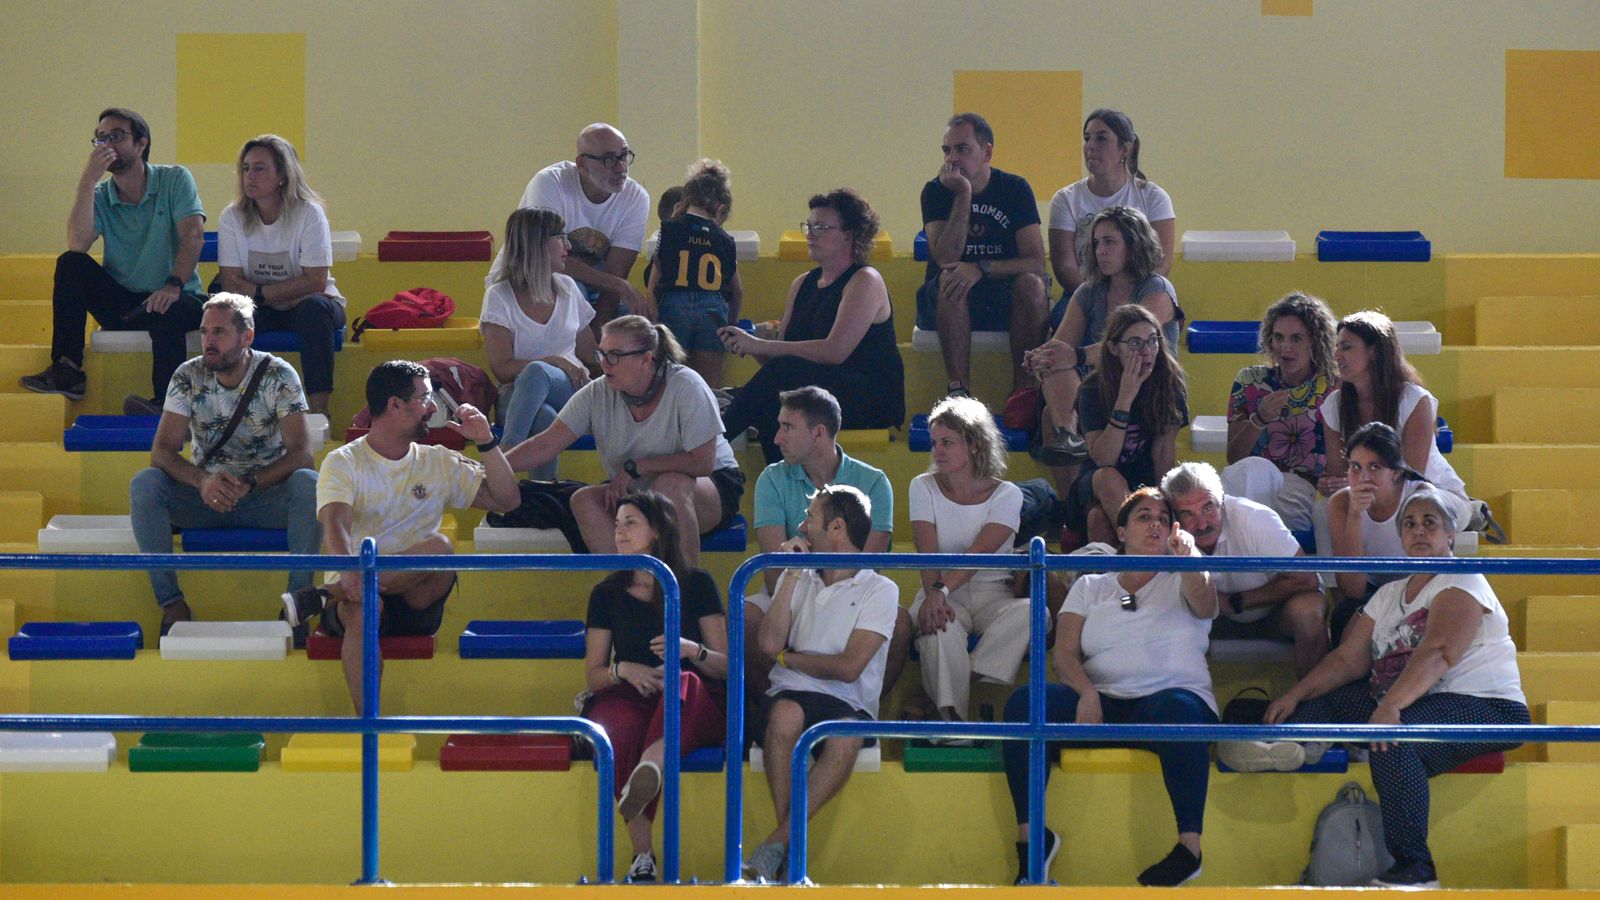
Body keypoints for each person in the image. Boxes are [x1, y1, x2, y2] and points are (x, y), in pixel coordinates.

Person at [1252, 486, 1528, 889]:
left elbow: (1439, 652)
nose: (1419, 531)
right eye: (1410, 524)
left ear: (1450, 534)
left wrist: (1391, 707)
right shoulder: (1389, 594)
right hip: (1414, 702)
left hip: (1487, 707)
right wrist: (1295, 695)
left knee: (1393, 739)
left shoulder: (1463, 579)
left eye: (1430, 523)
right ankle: (1291, 745)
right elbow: (1347, 659)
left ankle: (1417, 868)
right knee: (1326, 698)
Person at [1001, 488, 1217, 887]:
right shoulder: (1091, 586)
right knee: (1025, 704)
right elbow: (1064, 654)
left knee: (1180, 712)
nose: (1155, 523)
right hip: (1102, 702)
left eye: (1163, 517)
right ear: (1121, 531)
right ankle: (1032, 843)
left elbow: (1204, 603)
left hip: (1169, 703)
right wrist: (1086, 693)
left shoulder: (1185, 572)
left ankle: (1190, 849)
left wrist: (1188, 557)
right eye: (1143, 516)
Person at [282, 361, 520, 713]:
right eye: (425, 398)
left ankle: (324, 595)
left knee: (440, 546)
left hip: (415, 595)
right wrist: (350, 574)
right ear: (394, 404)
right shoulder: (343, 460)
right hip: (354, 595)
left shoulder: (438, 460)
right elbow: (335, 525)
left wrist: (486, 441)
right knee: (367, 607)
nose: (434, 408)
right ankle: (370, 725)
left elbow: (507, 500)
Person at [130, 294, 319, 635]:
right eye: (204, 332)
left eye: (219, 332)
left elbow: (302, 454)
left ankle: (298, 606)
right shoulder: (188, 375)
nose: (208, 341)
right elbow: (162, 452)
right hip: (206, 497)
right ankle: (172, 606)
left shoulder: (279, 374)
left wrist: (250, 481)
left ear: (247, 337)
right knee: (145, 483)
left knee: (309, 483)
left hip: (265, 494)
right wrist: (202, 481)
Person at [744, 485, 900, 883]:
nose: (800, 526)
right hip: (790, 692)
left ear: (836, 527)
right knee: (784, 714)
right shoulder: (796, 575)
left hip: (848, 701)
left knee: (844, 735)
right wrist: (792, 575)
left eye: (809, 518)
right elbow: (766, 642)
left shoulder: (880, 589)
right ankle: (787, 854)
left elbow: (849, 668)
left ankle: (779, 844)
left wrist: (790, 659)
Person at [504, 316, 745, 567]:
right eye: (602, 354)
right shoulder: (597, 392)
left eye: (615, 355)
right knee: (584, 499)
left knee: (670, 485)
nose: (605, 364)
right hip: (638, 487)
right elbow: (546, 444)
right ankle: (630, 590)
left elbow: (703, 463)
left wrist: (636, 467)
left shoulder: (686, 384)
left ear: (646, 358)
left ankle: (683, 595)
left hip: (711, 486)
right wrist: (492, 463)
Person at [581, 491, 728, 883]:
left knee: (683, 683)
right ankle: (642, 856)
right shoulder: (606, 593)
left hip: (690, 696)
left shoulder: (696, 584)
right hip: (632, 695)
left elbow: (727, 666)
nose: (620, 533)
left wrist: (689, 649)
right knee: (616, 727)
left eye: (630, 523)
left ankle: (653, 764)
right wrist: (624, 669)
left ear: (658, 531)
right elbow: (594, 675)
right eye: (616, 525)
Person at [23, 108, 205, 411]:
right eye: (100, 139)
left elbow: (193, 236)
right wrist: (86, 181)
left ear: (141, 143)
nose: (107, 145)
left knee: (169, 309)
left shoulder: (174, 179)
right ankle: (67, 370)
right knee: (70, 263)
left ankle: (167, 405)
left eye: (117, 136)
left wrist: (172, 285)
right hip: (125, 306)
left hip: (178, 295)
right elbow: (78, 243)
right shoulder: (101, 194)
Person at [745, 386, 910, 707]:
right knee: (746, 616)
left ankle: (860, 712)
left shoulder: (874, 481)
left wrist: (823, 597)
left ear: (819, 433)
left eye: (787, 427)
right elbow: (773, 572)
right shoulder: (771, 479)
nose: (777, 437)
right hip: (791, 588)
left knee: (901, 623)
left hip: (849, 591)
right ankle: (771, 709)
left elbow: (865, 569)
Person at [720, 189, 905, 462]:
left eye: (821, 227)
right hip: (816, 393)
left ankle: (712, 450)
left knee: (771, 391)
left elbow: (834, 352)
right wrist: (751, 345)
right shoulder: (802, 283)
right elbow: (780, 364)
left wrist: (761, 344)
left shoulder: (865, 280)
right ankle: (782, 486)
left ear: (849, 234)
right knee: (766, 400)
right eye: (809, 225)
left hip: (866, 397)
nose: (811, 233)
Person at [1025, 206, 1182, 476]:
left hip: (1148, 382)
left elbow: (1133, 347)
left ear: (1134, 244)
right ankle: (1068, 442)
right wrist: (1042, 357)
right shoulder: (1089, 291)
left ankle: (1070, 440)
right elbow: (1061, 348)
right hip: (1102, 385)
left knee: (1064, 364)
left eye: (1109, 242)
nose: (1100, 251)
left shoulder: (1158, 289)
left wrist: (1074, 356)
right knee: (1052, 401)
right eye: (1096, 243)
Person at [908, 395, 1026, 731]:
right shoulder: (922, 486)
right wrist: (935, 594)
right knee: (938, 631)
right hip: (941, 590)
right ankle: (953, 725)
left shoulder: (1008, 494)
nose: (937, 451)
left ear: (974, 444)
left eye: (947, 442)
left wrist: (940, 590)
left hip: (993, 594)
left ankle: (936, 697)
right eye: (934, 443)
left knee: (1035, 613)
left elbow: (980, 552)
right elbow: (926, 551)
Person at [916, 113, 1049, 402]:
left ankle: (1024, 393)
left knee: (1033, 285)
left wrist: (981, 268)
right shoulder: (935, 192)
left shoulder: (1014, 189)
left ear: (986, 151)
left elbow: (1036, 262)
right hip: (947, 299)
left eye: (962, 149)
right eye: (947, 150)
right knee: (951, 277)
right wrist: (963, 196)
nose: (952, 159)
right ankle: (958, 392)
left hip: (1001, 292)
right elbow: (945, 257)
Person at [212, 134, 347, 416]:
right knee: (226, 313)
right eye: (246, 168)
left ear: (283, 175)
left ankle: (319, 411)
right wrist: (262, 295)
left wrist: (260, 291)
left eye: (260, 168)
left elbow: (315, 282)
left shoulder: (309, 213)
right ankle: (232, 408)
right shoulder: (232, 216)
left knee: (314, 310)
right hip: (259, 306)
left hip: (310, 304)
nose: (250, 175)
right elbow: (230, 281)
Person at [1161, 462, 1328, 677]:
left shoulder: (1255, 518)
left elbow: (1306, 580)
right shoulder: (1164, 532)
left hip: (1277, 611)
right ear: (1174, 516)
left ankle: (1313, 706)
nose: (1201, 524)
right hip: (1207, 618)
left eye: (1208, 508)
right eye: (1187, 514)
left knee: (1309, 613)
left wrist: (1234, 602)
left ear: (1222, 501)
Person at [489, 123, 650, 323]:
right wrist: (618, 286)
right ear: (582, 164)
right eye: (609, 160)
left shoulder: (636, 198)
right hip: (531, 280)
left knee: (634, 322)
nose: (621, 168)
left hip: (596, 287)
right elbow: (545, 259)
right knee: (570, 290)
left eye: (624, 156)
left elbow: (617, 272)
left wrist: (599, 339)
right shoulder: (550, 183)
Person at [480, 207, 597, 478]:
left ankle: (504, 459)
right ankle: (542, 495)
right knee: (543, 417)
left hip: (570, 388)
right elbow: (501, 369)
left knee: (537, 373)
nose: (568, 246)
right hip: (517, 394)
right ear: (537, 244)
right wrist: (552, 361)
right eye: (561, 238)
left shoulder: (568, 288)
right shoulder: (500, 295)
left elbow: (590, 353)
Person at [1326, 422, 1469, 641]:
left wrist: (1394, 605)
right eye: (1355, 467)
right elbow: (1352, 589)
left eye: (1375, 467)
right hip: (1370, 592)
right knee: (1345, 619)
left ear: (1396, 473)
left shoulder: (1420, 497)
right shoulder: (1341, 503)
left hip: (1418, 588)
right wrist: (1354, 516)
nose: (1363, 477)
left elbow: (1433, 569)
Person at [1062, 305, 1189, 546]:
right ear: (1112, 348)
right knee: (1108, 478)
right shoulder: (1092, 389)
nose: (1146, 351)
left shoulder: (1170, 383)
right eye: (1135, 343)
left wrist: (1164, 504)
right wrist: (1125, 397)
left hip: (1145, 478)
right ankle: (1146, 553)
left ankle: (1121, 574)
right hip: (1097, 481)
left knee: (1098, 519)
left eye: (1153, 341)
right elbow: (1104, 459)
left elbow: (1163, 452)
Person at [1320, 310, 1470, 510]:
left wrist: (1357, 484)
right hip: (1370, 494)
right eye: (1336, 347)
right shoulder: (1334, 404)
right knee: (1324, 510)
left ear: (1374, 352)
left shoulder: (1413, 399)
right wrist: (1331, 485)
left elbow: (1412, 476)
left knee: (1413, 508)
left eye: (1346, 347)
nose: (1337, 356)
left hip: (1432, 493)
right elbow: (1338, 472)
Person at [1222, 292, 1340, 531]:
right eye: (1278, 337)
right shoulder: (1250, 381)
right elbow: (1234, 456)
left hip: (1299, 484)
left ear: (1314, 342)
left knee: (1275, 516)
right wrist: (1260, 419)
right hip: (1251, 479)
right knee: (1244, 485)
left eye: (1296, 338)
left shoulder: (1332, 387)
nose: (1285, 347)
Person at [1047, 109, 1175, 299]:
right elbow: (1065, 267)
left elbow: (1161, 264)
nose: (1090, 146)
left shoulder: (1154, 197)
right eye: (1087, 138)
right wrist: (1098, 300)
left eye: (1101, 138)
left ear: (1124, 149)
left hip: (1140, 296)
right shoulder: (1065, 199)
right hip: (1084, 295)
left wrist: (1128, 298)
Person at [647, 159, 743, 387]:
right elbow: (737, 290)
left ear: (684, 201)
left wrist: (653, 307)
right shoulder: (725, 239)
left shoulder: (668, 229)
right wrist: (732, 322)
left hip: (674, 303)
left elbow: (654, 280)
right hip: (713, 308)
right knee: (709, 383)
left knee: (671, 377)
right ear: (721, 209)